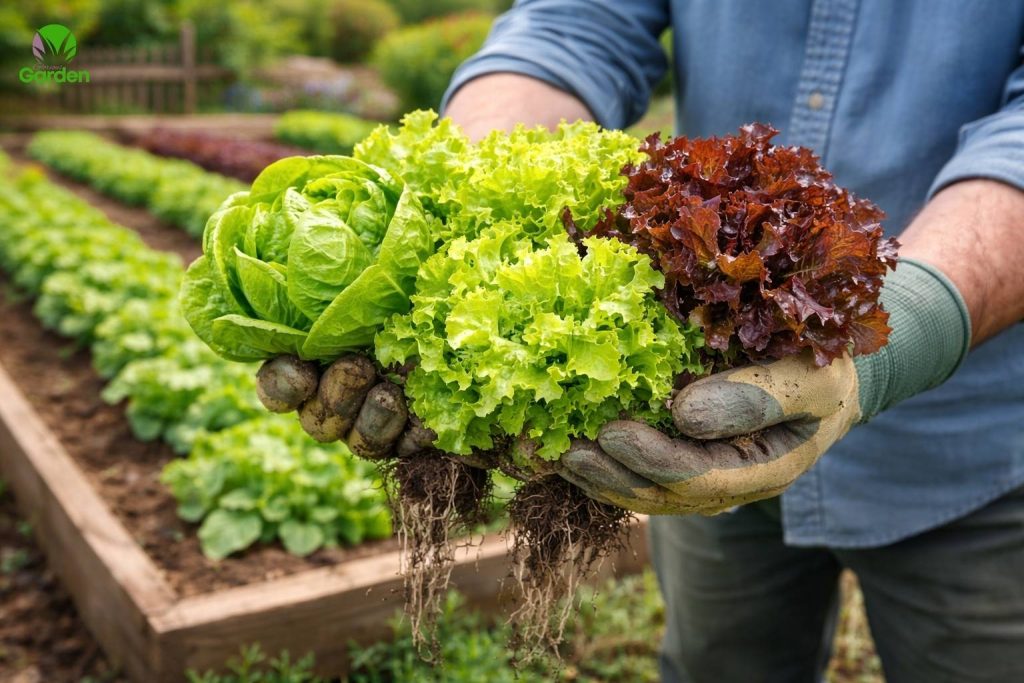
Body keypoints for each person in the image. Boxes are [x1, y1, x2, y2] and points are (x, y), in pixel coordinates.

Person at [263, 2, 1024, 681]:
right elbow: (576, 21)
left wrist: (904, 327)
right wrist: (456, 205)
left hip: (970, 459)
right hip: (697, 431)